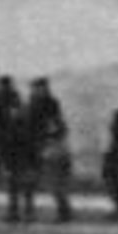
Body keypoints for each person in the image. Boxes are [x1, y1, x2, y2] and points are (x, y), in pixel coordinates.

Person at [29, 77, 74, 223]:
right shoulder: (37, 103)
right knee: (51, 181)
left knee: (54, 181)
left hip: (48, 147)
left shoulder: (48, 104)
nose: (35, 91)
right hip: (45, 145)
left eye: (37, 88)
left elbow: (52, 124)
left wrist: (46, 138)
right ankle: (63, 210)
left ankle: (63, 211)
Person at [0, 76, 26, 223]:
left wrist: (0, 144)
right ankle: (14, 210)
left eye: (1, 85)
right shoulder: (7, 100)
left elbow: (12, 123)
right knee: (11, 179)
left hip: (10, 146)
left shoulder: (8, 100)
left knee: (12, 179)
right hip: (7, 145)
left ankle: (14, 211)